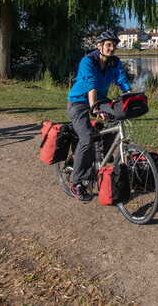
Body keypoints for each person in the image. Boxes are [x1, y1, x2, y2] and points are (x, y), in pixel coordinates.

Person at [66, 31, 131, 202]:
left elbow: (121, 79)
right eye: (108, 45)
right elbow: (91, 84)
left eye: (114, 45)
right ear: (99, 46)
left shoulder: (114, 62)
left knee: (117, 118)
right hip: (79, 101)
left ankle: (100, 158)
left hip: (100, 99)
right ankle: (76, 182)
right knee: (86, 138)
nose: (112, 48)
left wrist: (129, 95)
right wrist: (94, 107)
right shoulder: (88, 61)